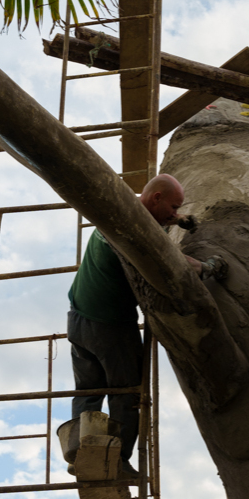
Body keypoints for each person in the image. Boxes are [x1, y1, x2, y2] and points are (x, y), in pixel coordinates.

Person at [65, 174, 226, 477]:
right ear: (156, 198)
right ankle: (116, 462)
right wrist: (208, 267)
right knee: (127, 393)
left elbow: (156, 220)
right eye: (173, 206)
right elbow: (173, 264)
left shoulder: (117, 211)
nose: (175, 212)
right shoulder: (133, 232)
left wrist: (177, 220)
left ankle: (79, 452)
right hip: (110, 327)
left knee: (88, 390)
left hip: (78, 317)